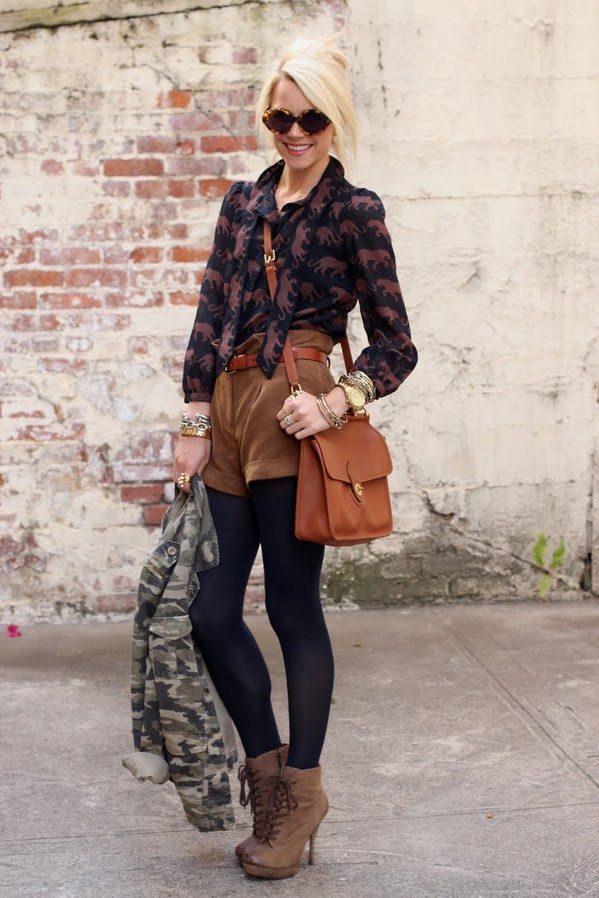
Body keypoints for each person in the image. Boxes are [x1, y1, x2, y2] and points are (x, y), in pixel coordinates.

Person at [172, 36, 418, 880]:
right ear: (267, 119)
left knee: (290, 608)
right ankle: (270, 776)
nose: (296, 132)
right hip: (231, 414)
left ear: (333, 118)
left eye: (311, 117)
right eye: (281, 117)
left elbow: (395, 342)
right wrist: (193, 417)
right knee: (208, 611)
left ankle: (300, 791)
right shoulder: (242, 203)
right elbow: (210, 313)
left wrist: (336, 400)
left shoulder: (355, 211)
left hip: (295, 411)